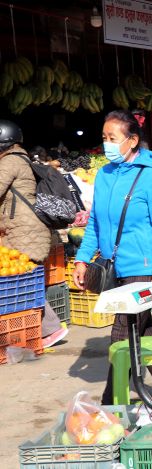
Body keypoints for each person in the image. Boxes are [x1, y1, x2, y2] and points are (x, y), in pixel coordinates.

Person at [73, 110, 152, 404]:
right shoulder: (104, 175)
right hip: (113, 267)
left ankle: (109, 400)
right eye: (104, 138)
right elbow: (95, 222)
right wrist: (81, 258)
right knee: (143, 328)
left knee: (122, 330)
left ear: (132, 141)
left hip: (142, 268)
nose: (107, 144)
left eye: (112, 138)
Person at [0, 121, 66, 348]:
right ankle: (47, 329)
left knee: (23, 284)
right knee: (23, 282)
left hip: (23, 232)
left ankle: (50, 329)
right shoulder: (21, 158)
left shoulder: (9, 162)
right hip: (27, 229)